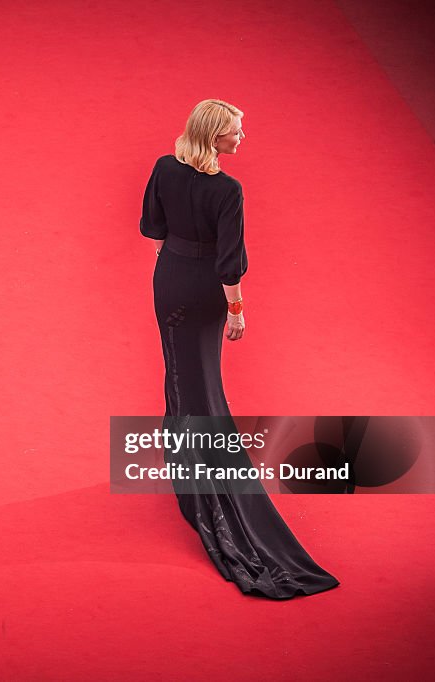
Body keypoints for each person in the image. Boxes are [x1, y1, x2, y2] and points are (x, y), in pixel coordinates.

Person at [140, 99, 339, 598]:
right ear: (214, 138)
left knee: (181, 376)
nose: (242, 137)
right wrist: (236, 311)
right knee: (203, 384)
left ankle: (188, 476)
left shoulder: (165, 167)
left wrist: (171, 270)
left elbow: (154, 229)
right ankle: (211, 494)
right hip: (206, 291)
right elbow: (230, 263)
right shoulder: (228, 190)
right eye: (235, 130)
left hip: (167, 282)